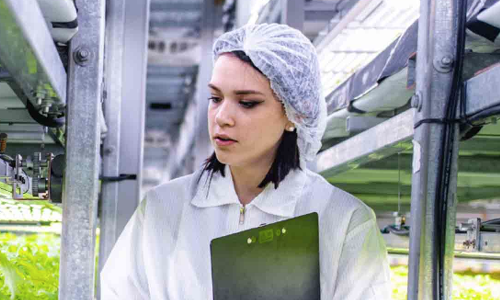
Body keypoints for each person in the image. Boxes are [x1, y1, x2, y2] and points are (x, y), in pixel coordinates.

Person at [100, 23, 391, 299]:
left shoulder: (342, 220)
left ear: (296, 113)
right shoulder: (162, 209)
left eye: (247, 103)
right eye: (215, 98)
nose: (222, 118)